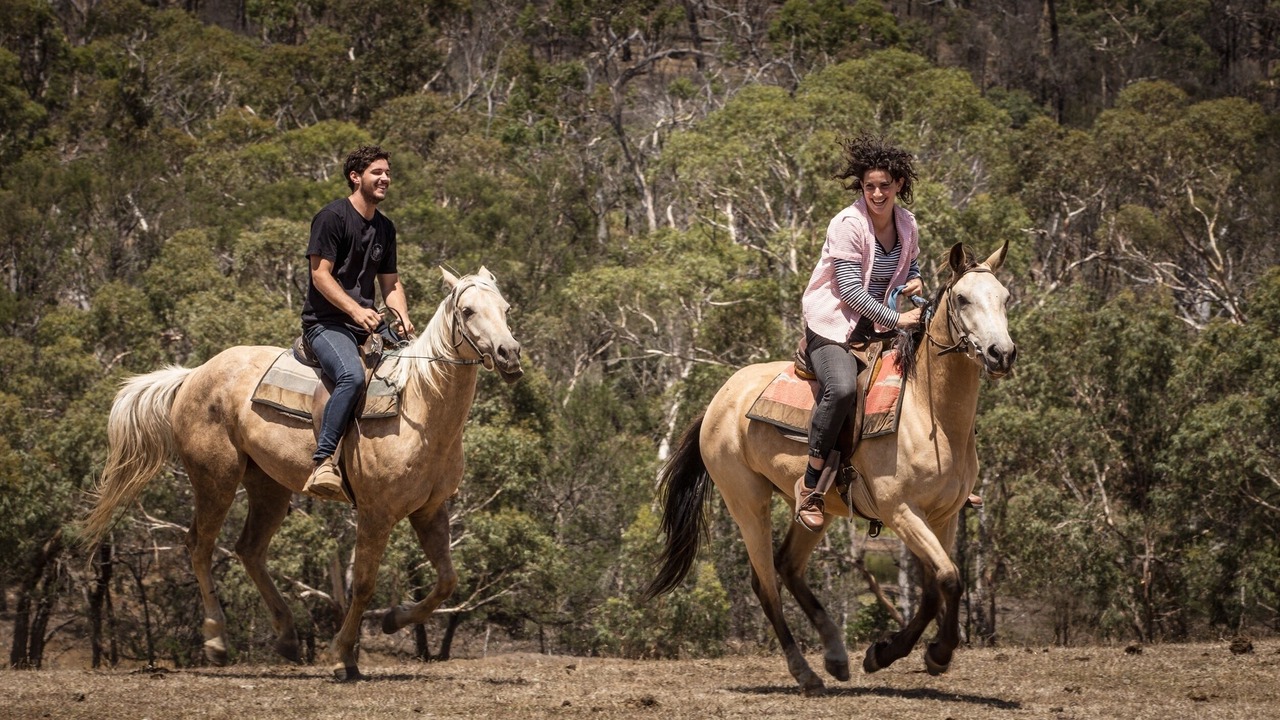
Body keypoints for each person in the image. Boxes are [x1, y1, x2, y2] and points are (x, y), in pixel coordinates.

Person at [794, 135, 925, 532]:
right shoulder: (848, 224)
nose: (877, 193)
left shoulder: (907, 224)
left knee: (941, 371)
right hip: (833, 328)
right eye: (870, 186)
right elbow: (850, 292)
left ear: (899, 184)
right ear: (862, 187)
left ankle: (943, 473)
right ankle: (812, 483)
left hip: (878, 327)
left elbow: (910, 269)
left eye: (885, 185)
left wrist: (916, 284)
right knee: (843, 389)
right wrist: (898, 319)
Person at [301, 145, 415, 501]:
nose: (385, 179)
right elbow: (321, 276)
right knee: (351, 375)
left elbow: (390, 284)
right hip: (326, 323)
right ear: (355, 177)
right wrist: (355, 310)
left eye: (387, 173)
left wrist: (402, 318)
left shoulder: (385, 228)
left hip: (367, 322)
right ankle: (324, 462)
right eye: (377, 172)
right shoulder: (332, 218)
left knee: (417, 365)